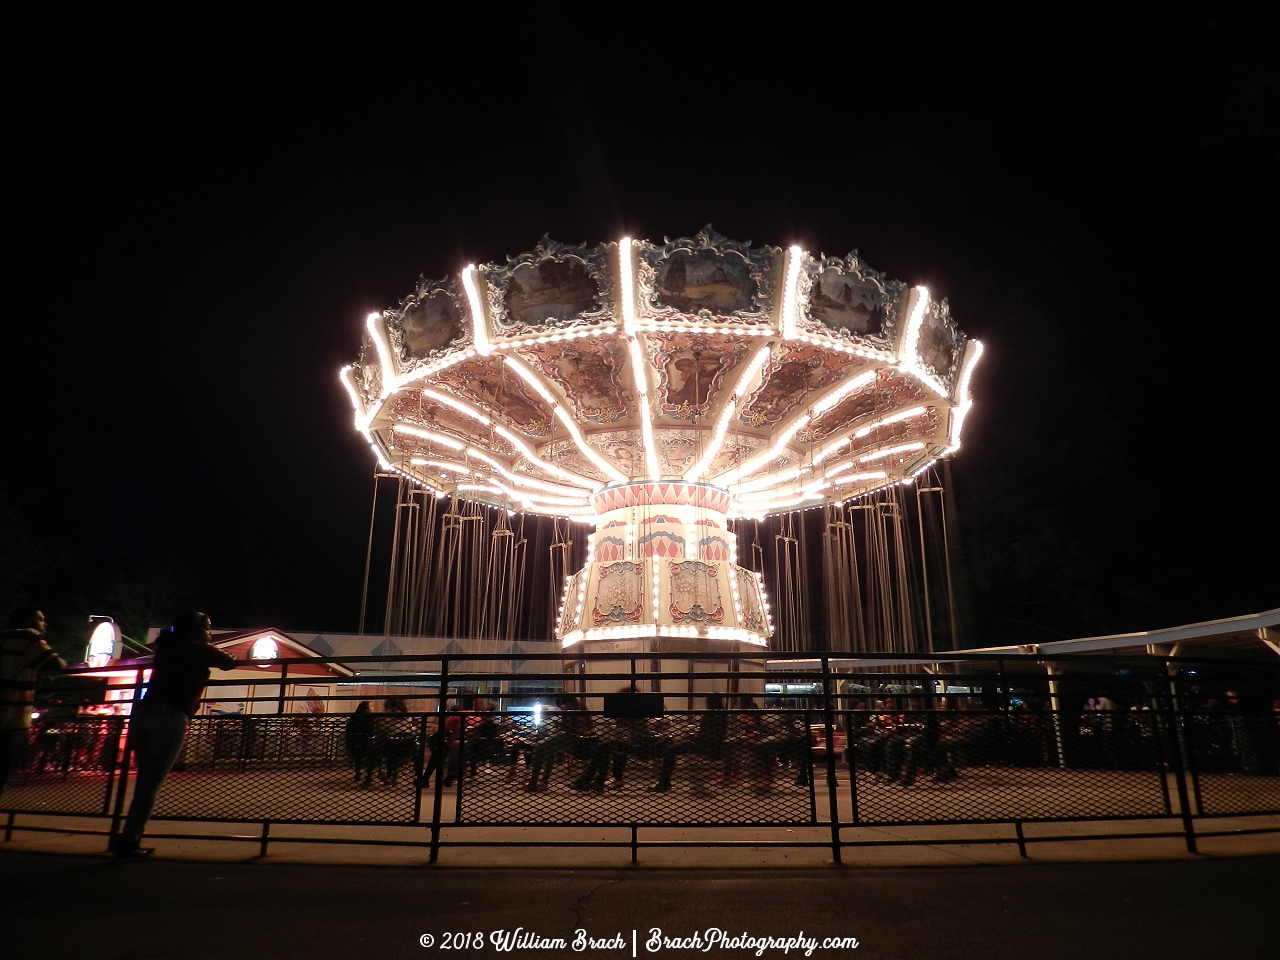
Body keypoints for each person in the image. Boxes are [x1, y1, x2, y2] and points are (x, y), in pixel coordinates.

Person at [113, 611, 236, 858]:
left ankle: (125, 834)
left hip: (144, 713)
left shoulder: (166, 648)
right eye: (208, 628)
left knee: (144, 781)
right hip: (171, 715)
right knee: (151, 783)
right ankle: (130, 839)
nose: (210, 633)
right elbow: (229, 661)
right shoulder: (197, 649)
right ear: (195, 630)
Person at [1, 607, 66, 796]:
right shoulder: (29, 638)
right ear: (28, 623)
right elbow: (56, 665)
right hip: (9, 714)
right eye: (41, 619)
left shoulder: (3, 638)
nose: (44, 624)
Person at [344, 701, 376, 786]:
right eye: (371, 706)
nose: (373, 708)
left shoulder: (354, 717)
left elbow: (350, 731)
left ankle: (358, 771)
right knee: (373, 752)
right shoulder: (372, 718)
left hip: (355, 741)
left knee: (358, 754)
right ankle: (370, 774)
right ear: (366, 709)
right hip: (366, 741)